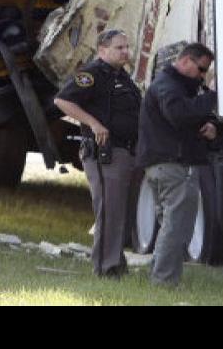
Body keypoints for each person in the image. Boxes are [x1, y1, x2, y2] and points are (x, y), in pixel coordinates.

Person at [54, 29, 142, 277]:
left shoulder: (122, 76)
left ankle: (116, 264)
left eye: (127, 47)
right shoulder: (92, 74)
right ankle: (105, 268)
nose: (126, 51)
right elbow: (62, 101)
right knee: (109, 211)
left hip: (125, 150)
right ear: (102, 50)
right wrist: (93, 123)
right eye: (119, 48)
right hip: (105, 153)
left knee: (120, 212)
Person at [136, 43, 218, 286]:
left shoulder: (176, 85)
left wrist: (212, 123)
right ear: (185, 62)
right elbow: (180, 115)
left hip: (164, 165)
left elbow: (191, 115)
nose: (204, 75)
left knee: (170, 225)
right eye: (202, 69)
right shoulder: (168, 86)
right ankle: (164, 281)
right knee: (177, 226)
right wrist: (212, 97)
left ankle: (158, 274)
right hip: (171, 165)